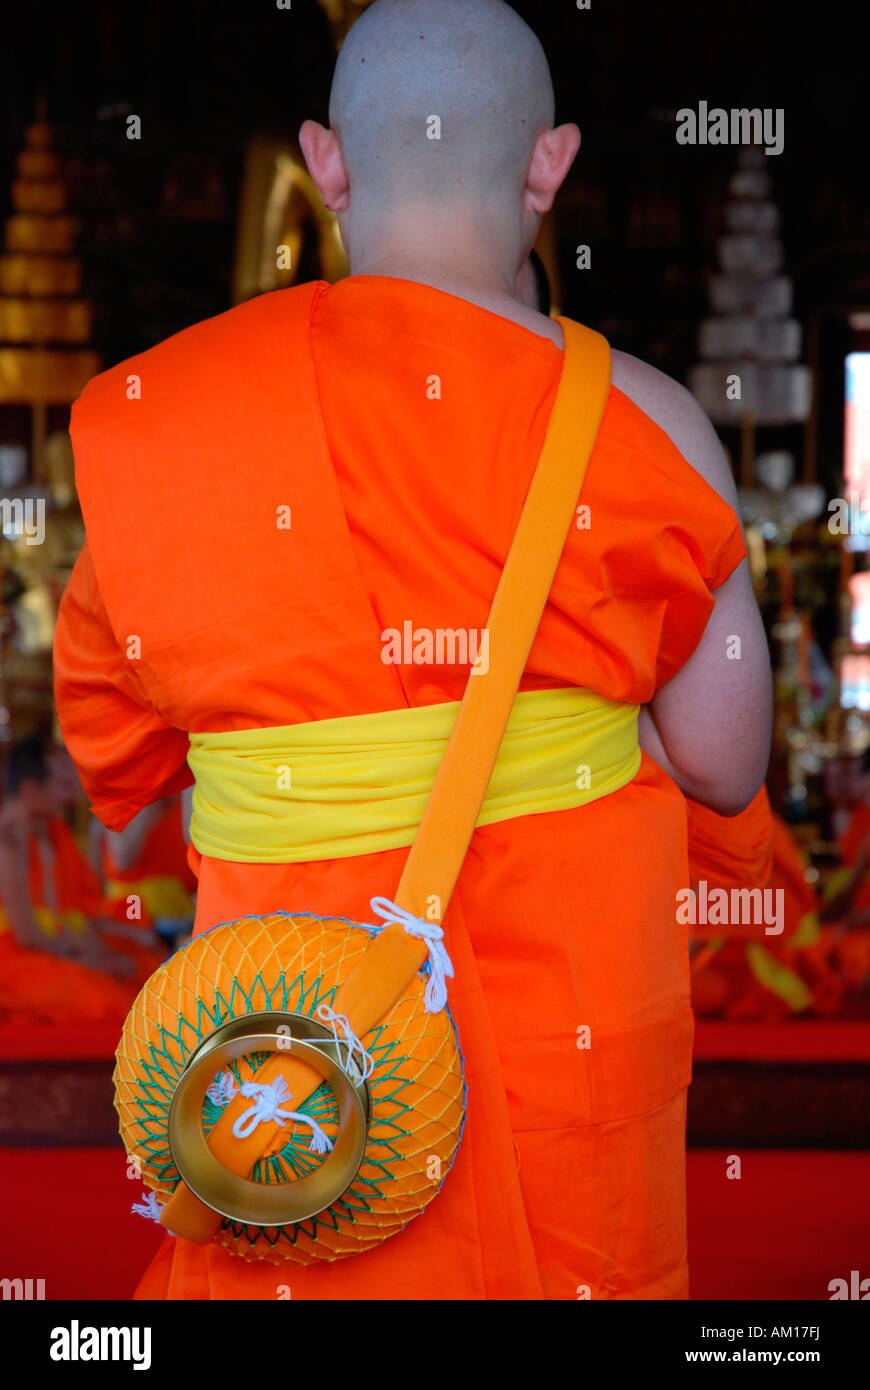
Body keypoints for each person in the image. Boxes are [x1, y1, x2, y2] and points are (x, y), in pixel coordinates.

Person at [53, 0, 771, 1300]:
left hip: (296, 1060)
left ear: (326, 161)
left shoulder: (167, 422)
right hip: (575, 1028)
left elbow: (119, 757)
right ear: (548, 162)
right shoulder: (652, 423)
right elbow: (725, 764)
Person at [0, 734, 140, 1025]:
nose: (69, 795)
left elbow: (63, 919)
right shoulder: (8, 840)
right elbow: (28, 934)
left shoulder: (46, 834)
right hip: (13, 957)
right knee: (111, 1002)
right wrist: (90, 961)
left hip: (46, 946)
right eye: (60, 784)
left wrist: (100, 954)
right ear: (30, 788)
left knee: (137, 973)